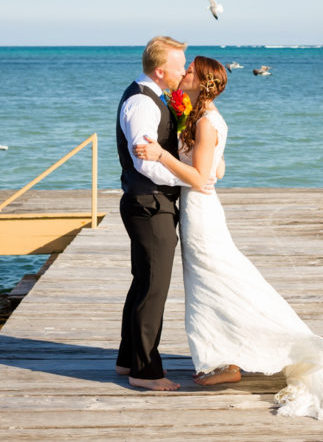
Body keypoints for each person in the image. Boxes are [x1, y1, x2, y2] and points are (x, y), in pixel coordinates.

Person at [134, 56, 323, 421]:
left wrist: (162, 154)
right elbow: (218, 169)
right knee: (212, 284)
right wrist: (197, 160)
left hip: (202, 214)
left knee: (216, 282)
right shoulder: (204, 118)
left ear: (203, 82)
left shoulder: (207, 122)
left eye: (189, 71)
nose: (184, 74)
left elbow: (199, 177)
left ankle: (234, 361)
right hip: (202, 208)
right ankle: (226, 362)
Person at [114, 35, 190, 391]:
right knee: (154, 288)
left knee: (143, 282)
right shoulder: (143, 105)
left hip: (146, 203)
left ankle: (127, 358)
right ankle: (145, 372)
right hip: (149, 203)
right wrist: (187, 180)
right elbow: (145, 160)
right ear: (161, 71)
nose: (185, 70)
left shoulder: (150, 96)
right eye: (180, 65)